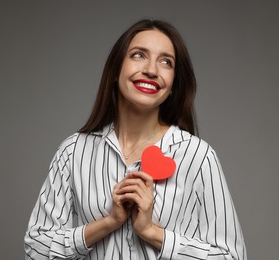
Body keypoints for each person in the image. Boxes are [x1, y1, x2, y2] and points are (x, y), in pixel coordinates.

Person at [24, 19, 247, 260]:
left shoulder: (198, 157)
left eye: (166, 62)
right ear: (115, 70)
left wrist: (151, 232)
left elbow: (232, 257)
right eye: (139, 55)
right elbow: (36, 248)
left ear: (173, 84)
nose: (152, 70)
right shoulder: (73, 151)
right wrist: (109, 222)